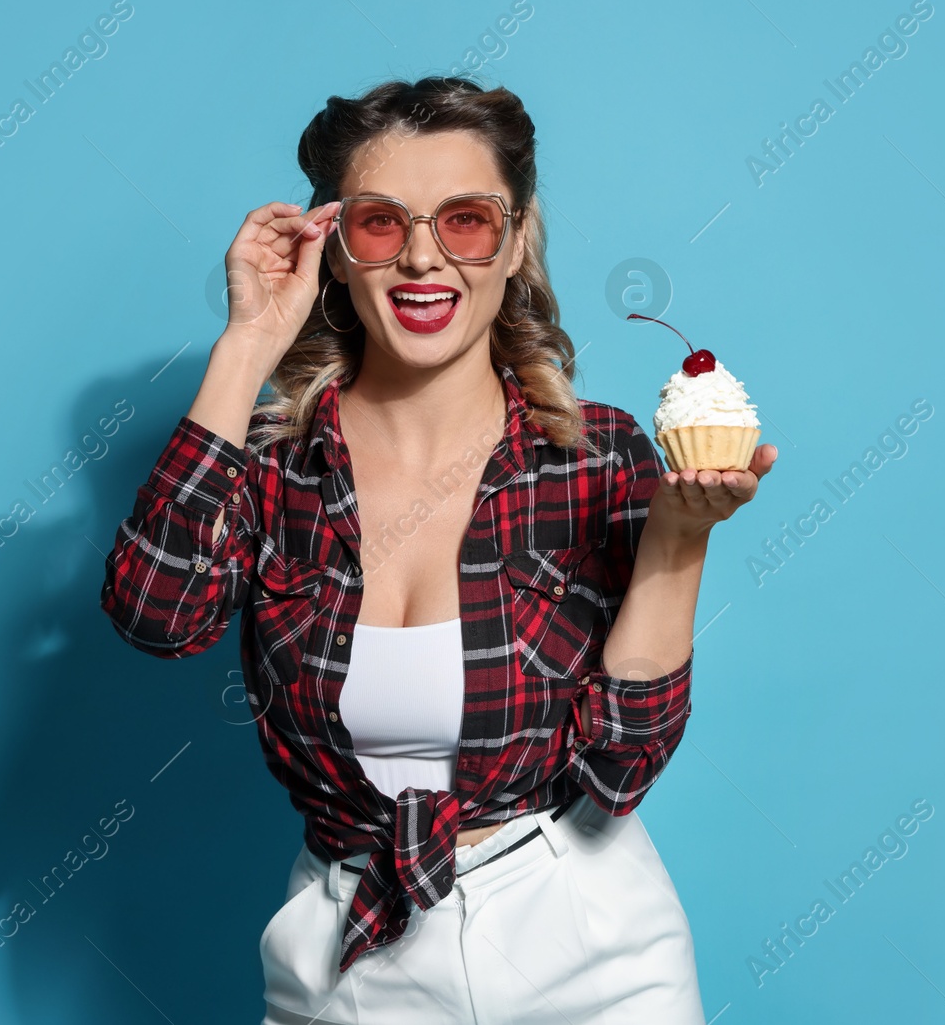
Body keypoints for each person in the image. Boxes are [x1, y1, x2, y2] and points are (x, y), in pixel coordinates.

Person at [100, 76, 775, 1024]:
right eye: (381, 223)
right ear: (333, 250)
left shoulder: (598, 453)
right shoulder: (268, 469)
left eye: (465, 220)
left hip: (584, 933)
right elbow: (155, 616)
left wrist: (680, 535)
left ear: (516, 241)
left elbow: (619, 768)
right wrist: (247, 345)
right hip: (351, 943)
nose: (423, 257)